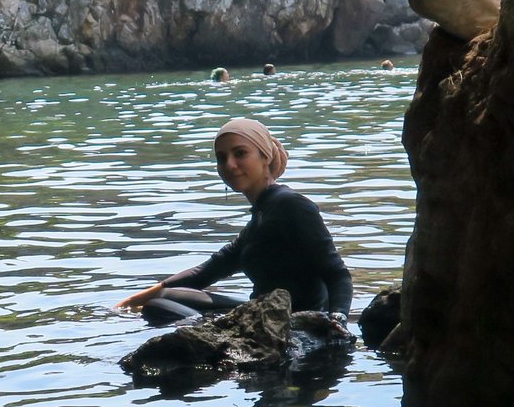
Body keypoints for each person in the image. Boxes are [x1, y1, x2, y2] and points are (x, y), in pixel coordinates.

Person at [117, 117, 352, 330]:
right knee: (167, 297)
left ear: (265, 157)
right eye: (222, 158)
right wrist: (126, 304)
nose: (229, 164)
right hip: (260, 314)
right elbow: (206, 272)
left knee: (158, 308)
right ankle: (221, 329)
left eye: (240, 153)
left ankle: (216, 334)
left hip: (292, 324)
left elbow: (337, 274)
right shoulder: (261, 216)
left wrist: (337, 322)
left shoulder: (291, 205)